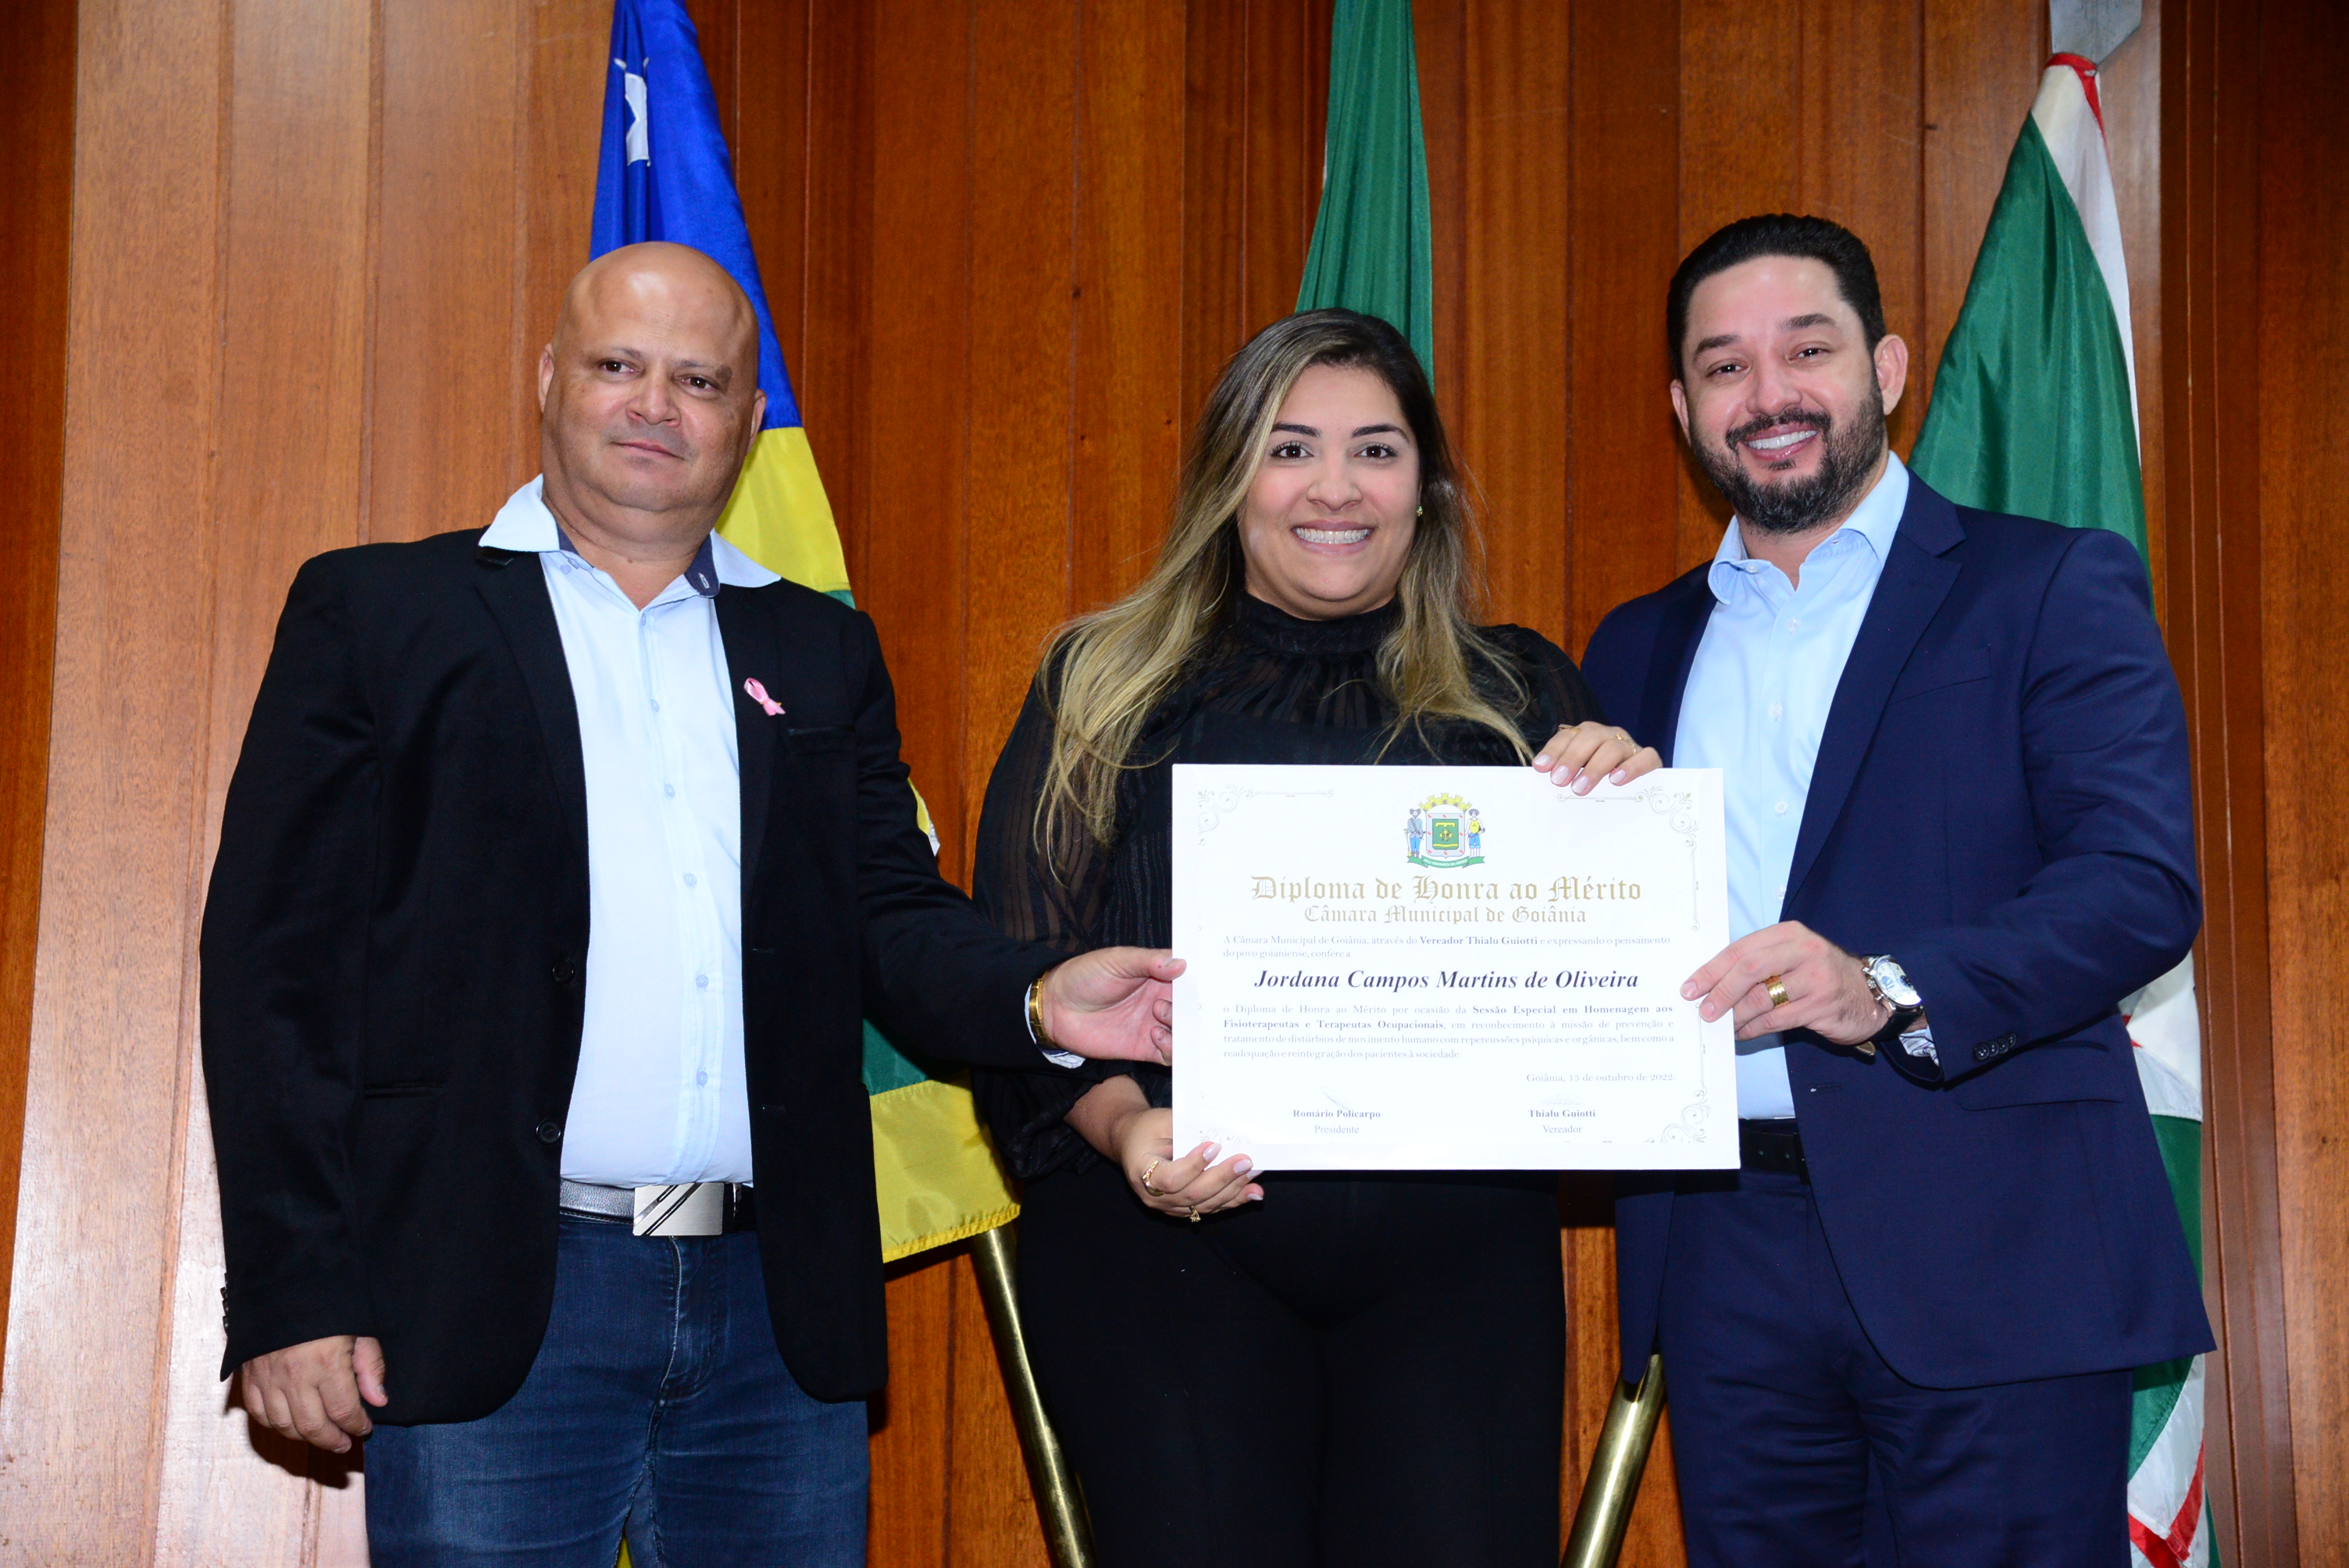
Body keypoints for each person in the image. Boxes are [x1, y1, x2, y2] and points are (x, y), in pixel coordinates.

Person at [200, 241, 1178, 1568]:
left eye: (699, 380)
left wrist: (1039, 997)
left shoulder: (819, 647)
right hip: (496, 1298)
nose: (655, 405)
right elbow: (275, 971)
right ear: (550, 379)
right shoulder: (381, 614)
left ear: (748, 419)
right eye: (619, 365)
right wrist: (294, 1289)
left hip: (773, 1319)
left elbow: (887, 913)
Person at [969, 308, 1659, 1568]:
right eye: (1290, 449)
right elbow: (1025, 991)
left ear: (1426, 487)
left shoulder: (1521, 696)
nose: (1334, 488)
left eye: (1375, 450)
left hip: (1455, 1270)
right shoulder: (1102, 687)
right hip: (1166, 1245)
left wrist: (1621, 815)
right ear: (1230, 481)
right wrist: (1127, 1133)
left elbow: (1616, 996)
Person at [1578, 214, 2212, 1566]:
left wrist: (1885, 989)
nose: (1770, 395)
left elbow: (2138, 886)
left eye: (1807, 350)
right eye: (1726, 366)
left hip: (1996, 1235)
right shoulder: (1632, 648)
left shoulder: (2046, 584)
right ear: (1684, 408)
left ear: (1887, 367)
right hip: (1723, 1256)